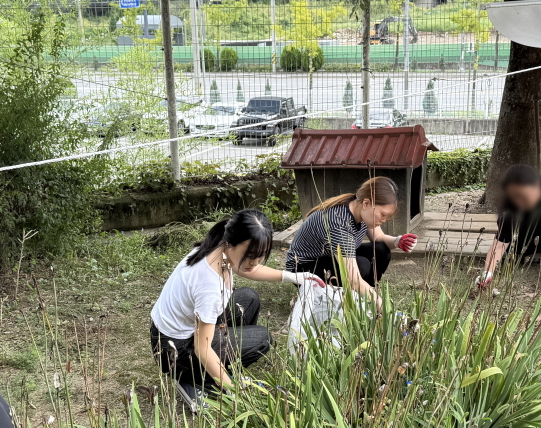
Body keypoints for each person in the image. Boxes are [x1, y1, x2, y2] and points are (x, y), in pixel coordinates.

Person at [150, 209, 321, 411]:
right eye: (250, 256)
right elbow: (202, 349)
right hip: (174, 352)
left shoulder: (218, 246)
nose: (255, 263)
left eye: (260, 256)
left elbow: (248, 269)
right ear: (231, 244)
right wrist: (234, 390)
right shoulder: (209, 285)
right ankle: (195, 382)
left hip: (172, 331)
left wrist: (292, 276)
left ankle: (218, 370)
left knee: (249, 298)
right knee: (262, 338)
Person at [284, 175, 417, 303]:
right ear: (366, 203)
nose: (384, 220)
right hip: (303, 269)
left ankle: (365, 295)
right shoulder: (339, 223)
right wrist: (384, 308)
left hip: (329, 257)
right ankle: (359, 299)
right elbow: (353, 279)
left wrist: (397, 241)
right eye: (383, 215)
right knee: (361, 265)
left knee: (381, 249)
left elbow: (379, 237)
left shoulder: (359, 209)